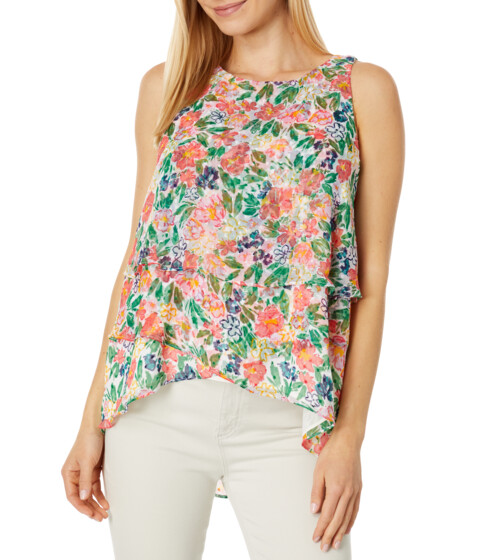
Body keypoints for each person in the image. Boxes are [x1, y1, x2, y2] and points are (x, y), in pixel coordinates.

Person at [61, 0, 404, 558]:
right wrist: (91, 420)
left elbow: (374, 280)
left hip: (291, 420)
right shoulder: (169, 89)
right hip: (152, 409)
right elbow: (139, 262)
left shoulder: (359, 91)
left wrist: (349, 435)